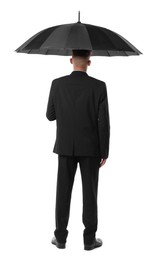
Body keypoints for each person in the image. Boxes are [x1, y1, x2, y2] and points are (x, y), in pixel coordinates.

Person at [46, 49, 110, 250]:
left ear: (71, 60)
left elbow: (50, 115)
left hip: (65, 146)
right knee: (90, 194)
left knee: (62, 192)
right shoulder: (99, 87)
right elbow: (104, 123)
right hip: (91, 148)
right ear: (89, 62)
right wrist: (104, 151)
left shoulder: (57, 84)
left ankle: (61, 238)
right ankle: (89, 240)